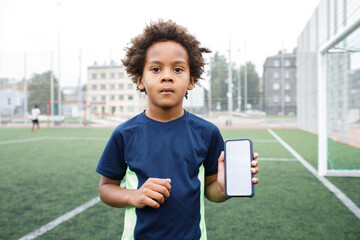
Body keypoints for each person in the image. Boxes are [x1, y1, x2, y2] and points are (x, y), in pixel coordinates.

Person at [96, 20, 259, 240]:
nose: (167, 76)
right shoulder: (125, 134)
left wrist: (222, 187)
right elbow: (106, 188)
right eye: (155, 69)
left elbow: (212, 190)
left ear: (191, 81)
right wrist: (134, 196)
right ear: (140, 80)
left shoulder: (207, 133)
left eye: (178, 69)